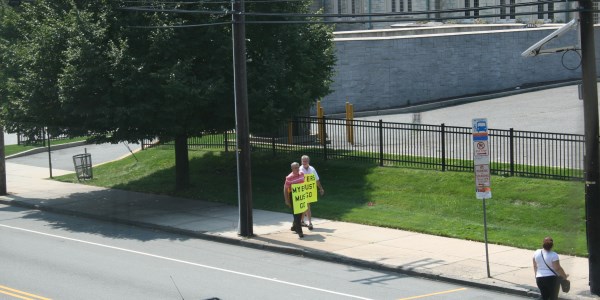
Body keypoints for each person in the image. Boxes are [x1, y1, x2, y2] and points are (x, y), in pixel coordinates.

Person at [299, 155, 324, 230]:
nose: (305, 162)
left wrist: (321, 189)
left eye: (306, 161)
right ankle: (310, 223)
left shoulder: (312, 169)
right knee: (307, 206)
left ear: (308, 161)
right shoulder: (300, 170)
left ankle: (302, 221)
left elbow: (317, 180)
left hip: (309, 191)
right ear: (301, 161)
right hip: (302, 191)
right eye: (303, 161)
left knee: (305, 206)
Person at [284, 162, 305, 238]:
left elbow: (304, 184)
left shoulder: (302, 174)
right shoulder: (289, 177)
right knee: (296, 213)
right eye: (295, 168)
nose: (297, 169)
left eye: (298, 167)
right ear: (292, 169)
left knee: (301, 212)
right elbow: (285, 189)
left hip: (301, 196)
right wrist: (287, 200)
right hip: (293, 196)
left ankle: (294, 226)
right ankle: (300, 231)